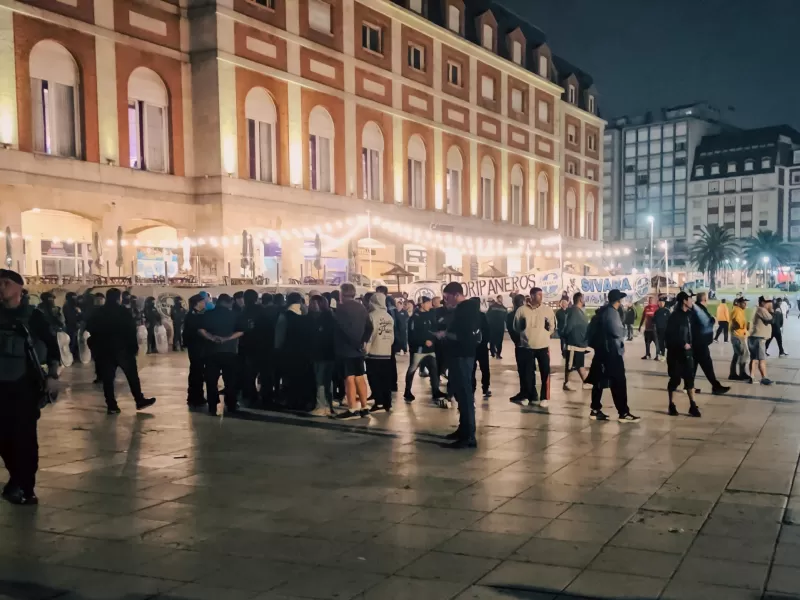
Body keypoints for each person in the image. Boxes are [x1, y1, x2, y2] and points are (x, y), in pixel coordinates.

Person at [0, 269, 59, 505]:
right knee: (3, 438)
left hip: (24, 386)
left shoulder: (33, 316)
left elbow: (51, 346)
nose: (0, 287)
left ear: (19, 288)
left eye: (5, 283)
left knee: (24, 438)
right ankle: (16, 480)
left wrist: (52, 375)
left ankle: (25, 486)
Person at [86, 288, 156, 414]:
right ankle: (139, 400)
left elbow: (90, 328)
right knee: (132, 376)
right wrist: (134, 347)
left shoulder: (98, 312)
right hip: (123, 350)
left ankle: (112, 405)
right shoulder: (123, 312)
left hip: (104, 350)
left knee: (108, 379)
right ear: (119, 298)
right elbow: (130, 330)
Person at [435, 282, 481, 449]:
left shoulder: (466, 310)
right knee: (461, 395)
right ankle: (463, 429)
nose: (446, 302)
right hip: (459, 355)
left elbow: (465, 335)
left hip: (462, 355)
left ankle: (468, 435)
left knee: (465, 394)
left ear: (456, 295)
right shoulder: (463, 310)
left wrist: (445, 334)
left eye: (447, 298)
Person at [585, 289, 640, 422]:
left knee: (599, 381)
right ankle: (623, 412)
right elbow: (617, 332)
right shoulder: (612, 313)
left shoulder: (603, 311)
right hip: (612, 352)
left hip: (602, 352)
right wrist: (623, 334)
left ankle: (595, 409)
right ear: (618, 301)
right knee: (619, 382)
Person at [198, 294, 244, 415]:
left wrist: (212, 338)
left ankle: (212, 405)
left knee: (211, 380)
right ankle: (231, 404)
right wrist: (226, 339)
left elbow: (201, 330)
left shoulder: (207, 314)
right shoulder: (234, 314)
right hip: (230, 351)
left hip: (211, 352)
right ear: (228, 303)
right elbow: (240, 332)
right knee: (230, 380)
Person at [513, 287, 556, 408]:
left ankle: (544, 397)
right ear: (531, 296)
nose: (541, 297)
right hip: (527, 347)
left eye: (542, 295)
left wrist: (546, 335)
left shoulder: (547, 310)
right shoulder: (521, 311)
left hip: (543, 346)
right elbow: (516, 327)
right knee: (528, 373)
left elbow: (553, 328)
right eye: (538, 295)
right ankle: (527, 396)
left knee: (545, 372)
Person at [333, 283, 370, 420]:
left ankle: (352, 408)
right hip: (359, 350)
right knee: (360, 376)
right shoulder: (361, 307)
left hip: (346, 349)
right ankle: (365, 407)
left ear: (342, 294)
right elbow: (369, 327)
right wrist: (363, 342)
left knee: (349, 378)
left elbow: (343, 329)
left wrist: (354, 344)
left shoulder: (341, 309)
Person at [274, 292, 314, 411]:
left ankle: (292, 401)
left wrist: (277, 349)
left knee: (290, 378)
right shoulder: (308, 315)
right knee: (303, 378)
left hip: (289, 351)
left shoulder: (285, 315)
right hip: (305, 352)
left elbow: (279, 336)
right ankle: (304, 401)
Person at [666, 291, 702, 417]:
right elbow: (670, 335)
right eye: (690, 299)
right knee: (675, 379)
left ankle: (693, 405)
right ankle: (672, 404)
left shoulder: (692, 315)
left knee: (690, 380)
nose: (692, 302)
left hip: (688, 353)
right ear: (684, 301)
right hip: (675, 353)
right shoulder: (674, 317)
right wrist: (682, 343)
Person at [404, 296, 446, 403]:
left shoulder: (431, 315)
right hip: (418, 350)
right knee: (412, 370)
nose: (430, 305)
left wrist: (433, 340)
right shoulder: (414, 318)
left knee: (434, 370)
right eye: (428, 303)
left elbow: (434, 329)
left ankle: (435, 391)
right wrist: (423, 342)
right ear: (421, 304)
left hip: (430, 349)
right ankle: (407, 391)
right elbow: (412, 335)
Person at [691, 292, 730, 395]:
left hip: (696, 342)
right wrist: (713, 319)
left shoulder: (696, 308)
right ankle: (716, 387)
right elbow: (707, 322)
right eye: (707, 299)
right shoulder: (699, 309)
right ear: (704, 300)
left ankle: (689, 387)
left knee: (693, 366)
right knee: (707, 366)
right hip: (700, 342)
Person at [364, 292, 394, 413]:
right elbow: (391, 336)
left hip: (374, 352)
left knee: (374, 378)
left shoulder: (371, 316)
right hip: (386, 352)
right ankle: (387, 403)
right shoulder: (389, 317)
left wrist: (366, 350)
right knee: (385, 379)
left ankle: (379, 402)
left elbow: (369, 336)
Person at [236, 290, 265, 407]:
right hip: (261, 346)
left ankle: (249, 395)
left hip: (246, 345)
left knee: (248, 372)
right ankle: (260, 395)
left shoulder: (243, 311)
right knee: (259, 372)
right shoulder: (262, 310)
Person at [309, 295, 335, 416]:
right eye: (312, 303)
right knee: (326, 381)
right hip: (325, 354)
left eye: (316, 303)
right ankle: (328, 405)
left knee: (321, 381)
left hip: (323, 354)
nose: (314, 306)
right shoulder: (329, 316)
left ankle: (322, 406)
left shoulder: (324, 319)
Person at [562, 292, 590, 391]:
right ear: (580, 299)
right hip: (574, 343)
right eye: (583, 298)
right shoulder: (574, 311)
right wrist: (565, 338)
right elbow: (569, 326)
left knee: (578, 364)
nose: (584, 300)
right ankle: (567, 383)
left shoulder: (578, 311)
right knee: (572, 364)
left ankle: (585, 381)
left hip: (580, 343)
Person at [182, 294, 207, 407]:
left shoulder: (195, 315)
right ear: (197, 303)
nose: (204, 303)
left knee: (197, 371)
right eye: (202, 301)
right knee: (196, 371)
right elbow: (197, 332)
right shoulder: (193, 316)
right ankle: (195, 397)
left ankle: (196, 395)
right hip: (196, 347)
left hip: (197, 347)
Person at [748, 297, 774, 385]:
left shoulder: (757, 309)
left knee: (754, 358)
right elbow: (771, 320)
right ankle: (764, 378)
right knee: (762, 359)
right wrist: (772, 310)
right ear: (762, 302)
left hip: (754, 337)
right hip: (759, 338)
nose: (769, 303)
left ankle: (752, 376)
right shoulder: (762, 309)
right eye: (768, 302)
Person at [506, 294, 526, 402]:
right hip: (529, 344)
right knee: (528, 369)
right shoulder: (526, 313)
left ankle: (525, 392)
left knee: (523, 370)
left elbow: (512, 330)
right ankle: (529, 392)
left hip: (519, 344)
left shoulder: (510, 315)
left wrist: (518, 341)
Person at [729, 297, 750, 381]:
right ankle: (742, 373)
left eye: (746, 303)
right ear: (739, 303)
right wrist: (736, 326)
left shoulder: (740, 311)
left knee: (737, 355)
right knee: (743, 354)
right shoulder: (737, 310)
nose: (745, 304)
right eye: (744, 303)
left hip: (740, 335)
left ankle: (733, 373)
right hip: (737, 336)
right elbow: (733, 321)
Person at [472, 309, 492, 398]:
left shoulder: (469, 316)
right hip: (481, 347)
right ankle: (485, 388)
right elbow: (487, 330)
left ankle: (473, 388)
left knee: (472, 369)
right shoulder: (482, 316)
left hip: (473, 347)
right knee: (485, 368)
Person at [62, 291, 81, 362]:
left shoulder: (71, 306)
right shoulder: (68, 306)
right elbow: (70, 317)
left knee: (74, 342)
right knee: (72, 342)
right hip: (71, 327)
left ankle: (74, 356)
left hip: (73, 326)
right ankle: (71, 357)